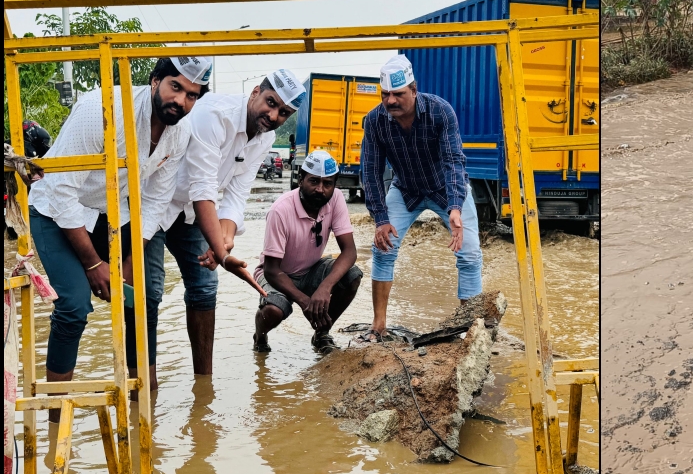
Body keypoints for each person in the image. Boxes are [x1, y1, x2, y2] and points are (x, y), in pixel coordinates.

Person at [27, 56, 210, 452]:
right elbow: (60, 191)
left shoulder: (180, 133)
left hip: (114, 213)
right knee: (75, 305)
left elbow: (155, 202)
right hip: (56, 209)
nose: (182, 101)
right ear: (155, 80)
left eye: (192, 95)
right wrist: (94, 264)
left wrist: (128, 261)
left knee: (140, 296)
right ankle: (57, 419)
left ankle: (143, 395)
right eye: (175, 87)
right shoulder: (101, 109)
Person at [147, 68, 305, 377]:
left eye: (283, 113)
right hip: (155, 202)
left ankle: (203, 384)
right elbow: (204, 187)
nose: (273, 116)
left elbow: (236, 193)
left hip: (193, 214)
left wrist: (226, 240)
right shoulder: (214, 113)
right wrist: (221, 251)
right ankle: (146, 382)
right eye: (271, 103)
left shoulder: (265, 137)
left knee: (205, 288)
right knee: (150, 292)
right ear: (256, 92)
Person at [360, 55, 482, 342]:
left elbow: (454, 160)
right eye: (385, 95)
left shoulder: (440, 112)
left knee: (470, 253)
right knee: (383, 247)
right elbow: (371, 172)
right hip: (406, 190)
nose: (391, 101)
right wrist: (381, 220)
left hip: (446, 188)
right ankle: (378, 326)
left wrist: (454, 206)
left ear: (414, 91)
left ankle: (470, 328)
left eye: (398, 94)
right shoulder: (376, 121)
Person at [252, 150, 361, 354]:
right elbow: (271, 270)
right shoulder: (280, 210)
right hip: (278, 275)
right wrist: (305, 301)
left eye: (327, 184)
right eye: (314, 181)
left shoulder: (335, 199)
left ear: (335, 185)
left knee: (352, 275)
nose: (320, 189)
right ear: (301, 179)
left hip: (310, 269)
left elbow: (350, 252)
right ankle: (259, 336)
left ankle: (321, 334)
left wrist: (324, 288)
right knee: (274, 311)